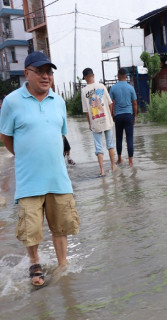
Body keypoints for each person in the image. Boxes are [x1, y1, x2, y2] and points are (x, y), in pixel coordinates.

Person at [0, 51, 79, 288]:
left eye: (49, 72)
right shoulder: (12, 102)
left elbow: (59, 134)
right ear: (27, 74)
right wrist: (26, 156)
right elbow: (5, 136)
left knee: (61, 226)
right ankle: (35, 263)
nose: (46, 77)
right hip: (29, 180)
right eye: (40, 72)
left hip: (58, 177)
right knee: (31, 228)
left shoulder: (59, 102)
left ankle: (62, 265)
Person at [81, 67, 115, 176]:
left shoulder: (84, 91)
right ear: (93, 75)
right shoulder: (102, 86)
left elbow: (86, 111)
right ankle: (113, 166)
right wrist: (110, 116)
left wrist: (89, 123)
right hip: (107, 120)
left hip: (95, 122)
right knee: (110, 145)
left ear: (85, 77)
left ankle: (102, 171)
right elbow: (110, 103)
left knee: (98, 148)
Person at [109, 68, 137, 167]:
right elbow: (134, 103)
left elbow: (110, 103)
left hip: (118, 116)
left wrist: (112, 115)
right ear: (126, 76)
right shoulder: (131, 88)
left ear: (118, 76)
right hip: (129, 115)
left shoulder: (113, 88)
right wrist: (135, 116)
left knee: (119, 138)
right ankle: (130, 162)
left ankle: (119, 159)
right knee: (129, 138)